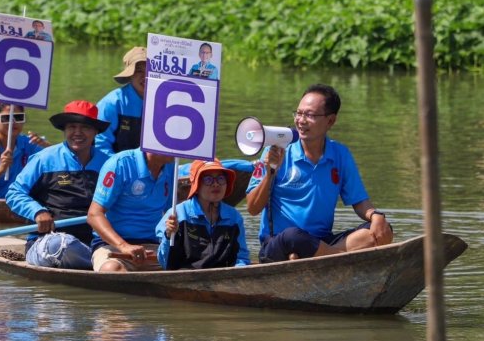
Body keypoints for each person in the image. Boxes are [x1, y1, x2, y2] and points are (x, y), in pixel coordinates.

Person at [246, 83, 393, 263]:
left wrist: (376, 216)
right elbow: (252, 208)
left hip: (321, 242)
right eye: (298, 113)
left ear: (330, 121)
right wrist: (270, 172)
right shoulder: (274, 152)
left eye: (309, 115)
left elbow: (360, 202)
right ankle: (333, 259)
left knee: (380, 229)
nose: (301, 121)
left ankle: (313, 258)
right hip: (279, 244)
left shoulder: (340, 154)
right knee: (294, 237)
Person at [5, 101, 111, 269]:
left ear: (95, 131)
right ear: (64, 130)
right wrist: (38, 212)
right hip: (51, 240)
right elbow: (14, 193)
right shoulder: (44, 159)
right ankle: (100, 264)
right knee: (61, 246)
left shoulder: (109, 164)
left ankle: (104, 262)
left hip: (97, 241)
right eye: (72, 127)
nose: (78, 133)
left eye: (85, 127)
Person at [87, 148, 175, 272]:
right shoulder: (120, 163)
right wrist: (124, 246)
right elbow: (94, 215)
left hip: (153, 246)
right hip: (113, 246)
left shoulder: (172, 166)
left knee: (186, 266)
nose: (177, 149)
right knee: (111, 269)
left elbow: (171, 210)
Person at [156, 159, 250, 270]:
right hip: (185, 278)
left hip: (223, 278)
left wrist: (239, 270)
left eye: (220, 179)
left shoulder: (234, 217)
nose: (216, 184)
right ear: (197, 185)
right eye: (208, 179)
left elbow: (242, 258)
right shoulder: (177, 215)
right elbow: (164, 262)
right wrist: (169, 235)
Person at [94, 46, 146, 154]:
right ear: (130, 75)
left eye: (150, 70)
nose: (145, 76)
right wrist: (121, 168)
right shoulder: (111, 103)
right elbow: (100, 145)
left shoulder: (162, 104)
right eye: (139, 70)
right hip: (114, 167)